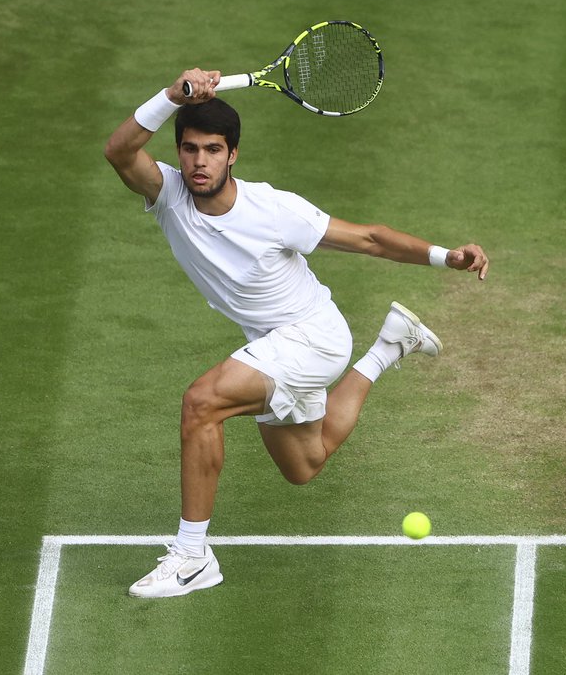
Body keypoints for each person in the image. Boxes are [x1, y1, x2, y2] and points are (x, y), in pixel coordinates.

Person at [103, 68, 489, 598]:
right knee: (305, 465)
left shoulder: (274, 209)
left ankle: (192, 556)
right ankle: (390, 345)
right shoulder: (168, 194)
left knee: (202, 403)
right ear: (178, 150)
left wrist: (448, 257)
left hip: (313, 337)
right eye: (189, 149)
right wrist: (170, 95)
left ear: (232, 154)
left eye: (213, 150)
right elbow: (120, 151)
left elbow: (371, 239)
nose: (199, 162)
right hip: (271, 344)